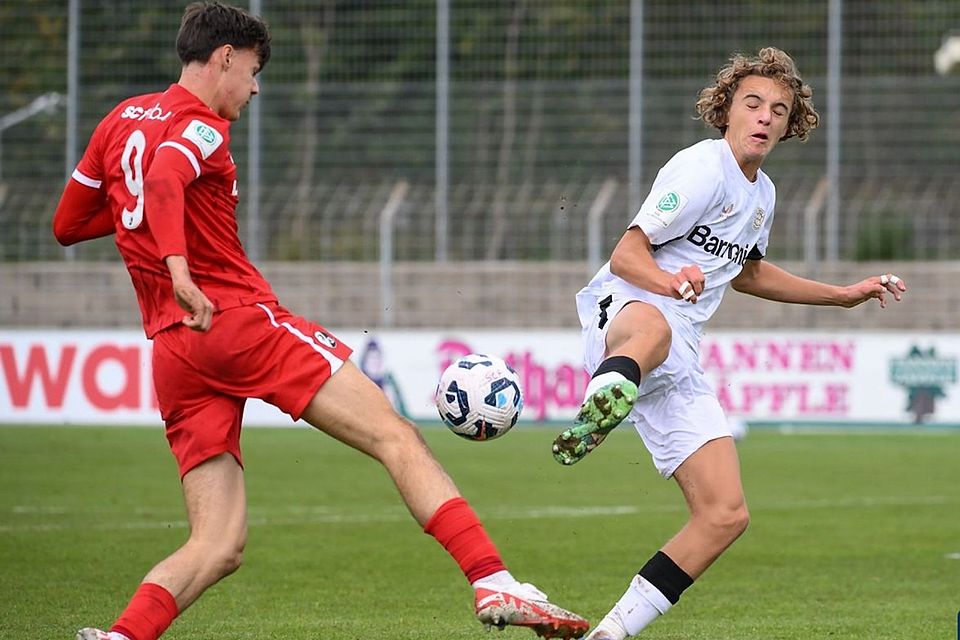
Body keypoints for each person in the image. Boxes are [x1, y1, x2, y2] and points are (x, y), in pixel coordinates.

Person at [52, 3, 588, 640]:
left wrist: (143, 224)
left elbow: (69, 224)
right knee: (396, 437)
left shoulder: (119, 119)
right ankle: (493, 580)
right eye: (252, 72)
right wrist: (179, 267)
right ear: (225, 57)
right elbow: (167, 174)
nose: (253, 88)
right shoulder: (200, 127)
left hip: (173, 349)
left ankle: (123, 637)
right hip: (234, 323)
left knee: (218, 543)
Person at [550, 47, 907, 639]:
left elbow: (748, 272)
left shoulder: (761, 195)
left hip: (679, 353)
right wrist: (670, 281)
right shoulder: (701, 169)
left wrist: (843, 295)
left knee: (724, 515)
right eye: (753, 104)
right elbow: (626, 252)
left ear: (790, 126)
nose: (765, 117)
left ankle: (609, 634)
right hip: (629, 311)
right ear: (726, 112)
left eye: (779, 110)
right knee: (656, 329)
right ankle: (605, 396)